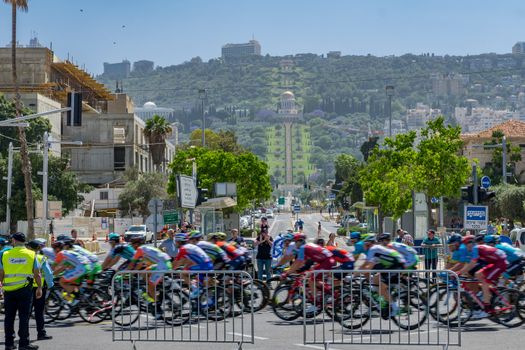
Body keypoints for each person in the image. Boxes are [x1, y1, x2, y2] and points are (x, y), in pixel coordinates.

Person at [0, 232, 42, 350]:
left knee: (9, 317)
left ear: (13, 240)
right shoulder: (31, 254)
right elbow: (37, 273)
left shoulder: (5, 254)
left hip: (9, 290)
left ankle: (9, 344)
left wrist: (0, 287)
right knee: (24, 317)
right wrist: (39, 287)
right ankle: (24, 343)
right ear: (24, 241)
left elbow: (1, 273)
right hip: (25, 290)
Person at [359, 235, 406, 318]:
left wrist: (355, 274)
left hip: (397, 264)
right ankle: (384, 301)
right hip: (390, 265)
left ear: (369, 244)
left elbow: (368, 267)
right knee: (375, 280)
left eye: (365, 244)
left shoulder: (373, 249)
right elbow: (365, 264)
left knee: (381, 288)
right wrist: (356, 272)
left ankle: (395, 308)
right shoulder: (374, 249)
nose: (364, 247)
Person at [128, 237, 172, 303]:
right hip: (164, 262)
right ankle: (155, 290)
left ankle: (157, 305)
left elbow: (132, 264)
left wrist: (126, 273)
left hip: (162, 265)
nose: (131, 246)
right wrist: (133, 273)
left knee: (150, 285)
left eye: (132, 244)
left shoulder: (140, 250)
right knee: (144, 273)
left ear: (136, 244)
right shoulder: (145, 248)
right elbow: (140, 264)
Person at [27, 239, 54, 341]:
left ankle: (24, 336)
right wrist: (50, 284)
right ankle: (41, 333)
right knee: (39, 312)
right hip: (39, 289)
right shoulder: (42, 258)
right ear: (39, 248)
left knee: (26, 313)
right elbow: (48, 273)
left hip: (26, 288)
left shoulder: (27, 257)